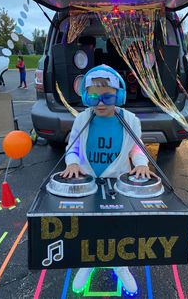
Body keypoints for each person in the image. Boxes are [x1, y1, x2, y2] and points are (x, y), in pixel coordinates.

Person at [60, 64, 156, 296]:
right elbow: (71, 147)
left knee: (117, 226)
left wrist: (141, 164)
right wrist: (72, 162)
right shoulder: (82, 118)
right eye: (93, 98)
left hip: (116, 183)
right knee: (87, 226)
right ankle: (88, 262)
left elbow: (136, 149)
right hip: (88, 182)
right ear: (85, 97)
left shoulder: (130, 120)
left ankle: (118, 264)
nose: (100, 103)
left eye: (107, 97)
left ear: (119, 95)